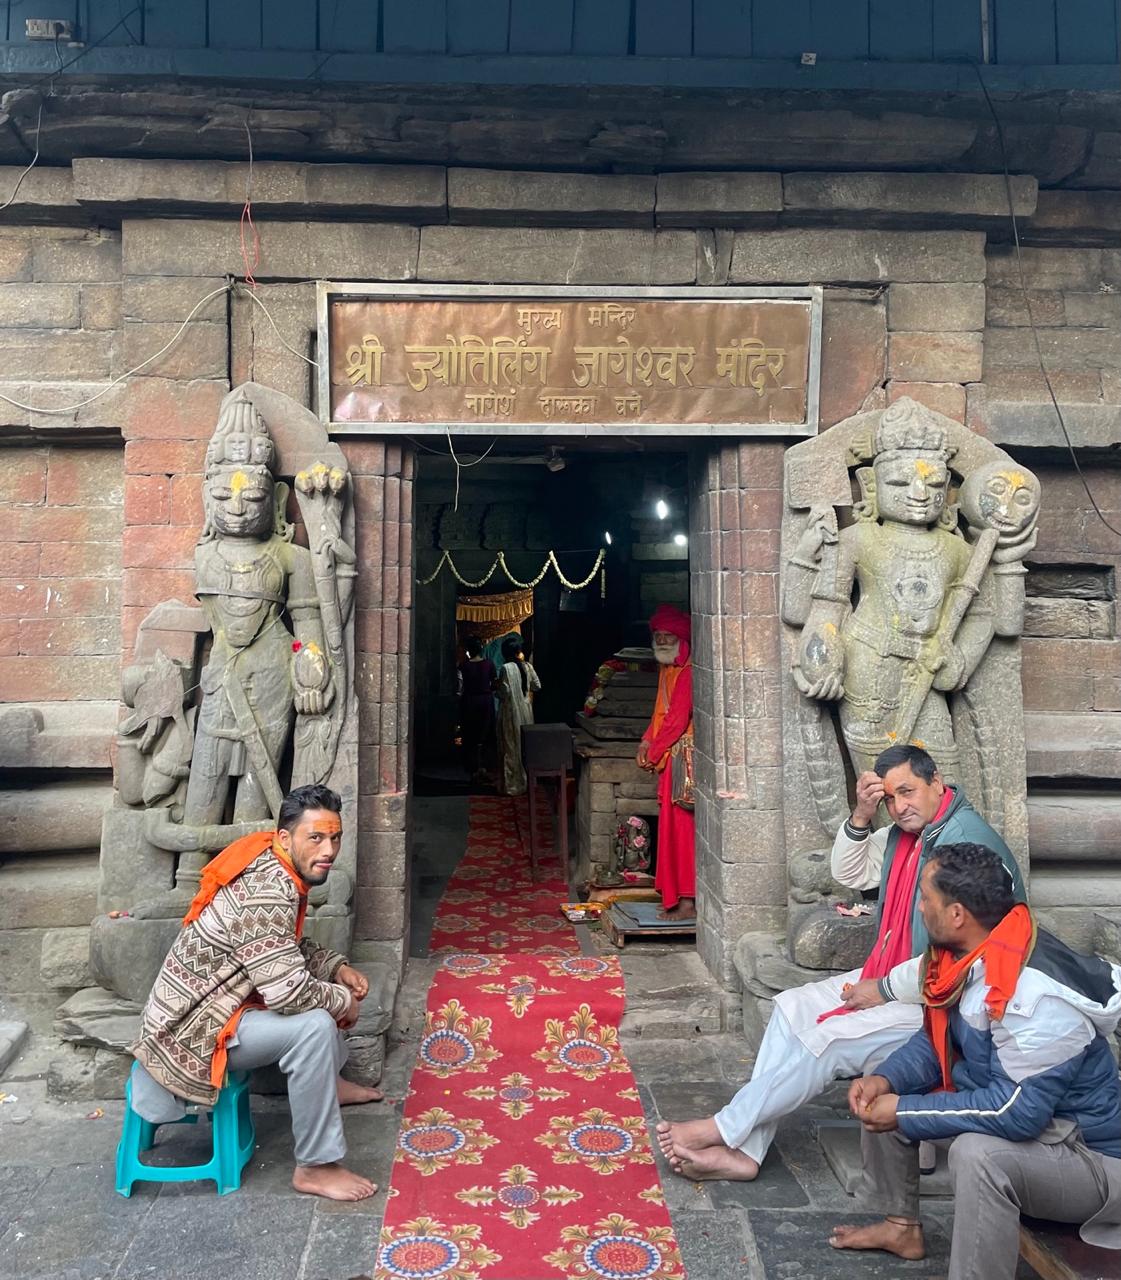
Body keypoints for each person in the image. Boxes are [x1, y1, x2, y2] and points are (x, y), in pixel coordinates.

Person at [656, 742, 1025, 1180]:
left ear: (937, 783)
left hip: (943, 999)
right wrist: (862, 817)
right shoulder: (909, 833)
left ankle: (721, 1129)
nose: (900, 806)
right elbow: (849, 874)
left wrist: (883, 990)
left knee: (826, 1040)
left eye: (908, 792)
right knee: (790, 1008)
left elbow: (967, 956)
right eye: (890, 798)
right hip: (897, 974)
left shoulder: (963, 844)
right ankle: (746, 1152)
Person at [832, 842, 1121, 1278]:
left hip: (1093, 1162)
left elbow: (1016, 1113)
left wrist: (907, 1110)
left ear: (956, 915)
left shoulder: (1034, 997)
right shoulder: (966, 958)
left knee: (977, 1154)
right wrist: (888, 1082)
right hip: (1043, 1134)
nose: (918, 907)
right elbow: (936, 1044)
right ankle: (900, 1227)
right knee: (883, 1087)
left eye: (925, 897)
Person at [129, 784, 383, 1202]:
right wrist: (343, 1000)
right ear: (286, 838)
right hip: (192, 1034)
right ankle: (316, 1166)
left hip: (218, 1008)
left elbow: (278, 949)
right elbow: (287, 993)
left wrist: (337, 967)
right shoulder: (268, 888)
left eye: (335, 837)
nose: (330, 849)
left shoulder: (274, 862)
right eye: (316, 837)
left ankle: (327, 1084)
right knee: (316, 1024)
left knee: (322, 992)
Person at [637, 604, 695, 920]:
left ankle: (687, 901)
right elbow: (659, 714)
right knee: (672, 829)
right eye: (657, 635)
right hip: (669, 756)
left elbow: (676, 720)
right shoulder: (667, 669)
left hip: (684, 760)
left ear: (680, 637)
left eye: (667, 635)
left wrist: (655, 752)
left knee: (683, 829)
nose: (661, 640)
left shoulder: (689, 671)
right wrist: (647, 742)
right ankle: (675, 897)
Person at [495, 634, 541, 796]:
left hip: (510, 711)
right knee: (525, 746)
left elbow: (504, 692)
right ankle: (528, 782)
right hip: (526, 711)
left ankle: (512, 785)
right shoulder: (528, 666)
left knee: (511, 746)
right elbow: (537, 686)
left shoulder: (506, 668)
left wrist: (496, 689)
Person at [457, 634, 497, 783]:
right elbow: (494, 684)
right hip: (486, 701)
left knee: (470, 734)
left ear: (469, 650)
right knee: (486, 734)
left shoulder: (463, 666)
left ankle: (472, 767)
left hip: (469, 701)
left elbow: (459, 687)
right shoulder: (489, 664)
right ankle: (485, 767)